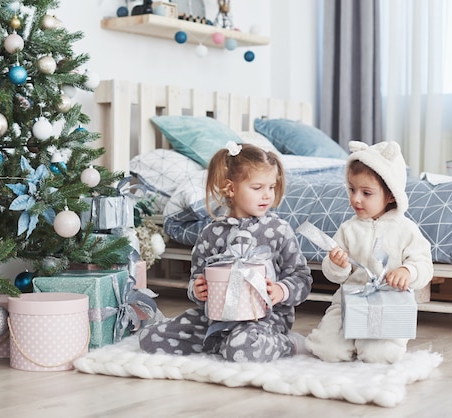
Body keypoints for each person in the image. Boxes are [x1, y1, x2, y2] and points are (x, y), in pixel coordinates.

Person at [139, 141, 312, 362]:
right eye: (258, 188)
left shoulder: (278, 230)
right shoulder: (211, 233)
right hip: (215, 318)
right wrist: (197, 289)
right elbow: (196, 276)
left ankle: (287, 344)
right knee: (151, 338)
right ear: (230, 189)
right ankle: (222, 342)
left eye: (271, 187)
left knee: (244, 349)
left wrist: (281, 290)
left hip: (265, 318)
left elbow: (301, 277)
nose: (267, 195)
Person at [305, 141, 433, 364]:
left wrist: (407, 271)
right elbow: (334, 275)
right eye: (352, 189)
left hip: (387, 303)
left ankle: (366, 342)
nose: (356, 198)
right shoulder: (348, 228)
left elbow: (424, 265)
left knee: (379, 356)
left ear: (391, 195)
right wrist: (337, 264)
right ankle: (347, 339)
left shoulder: (406, 229)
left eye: (366, 193)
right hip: (348, 301)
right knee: (328, 351)